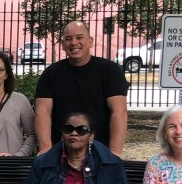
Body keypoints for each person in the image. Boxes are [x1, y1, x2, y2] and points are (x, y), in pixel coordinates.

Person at [34, 20, 129, 156]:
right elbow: (43, 112)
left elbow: (119, 112)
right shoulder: (51, 74)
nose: (73, 43)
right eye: (68, 39)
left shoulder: (110, 71)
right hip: (60, 154)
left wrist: (114, 152)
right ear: (62, 45)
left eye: (79, 37)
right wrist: (46, 150)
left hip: (100, 152)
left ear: (90, 41)